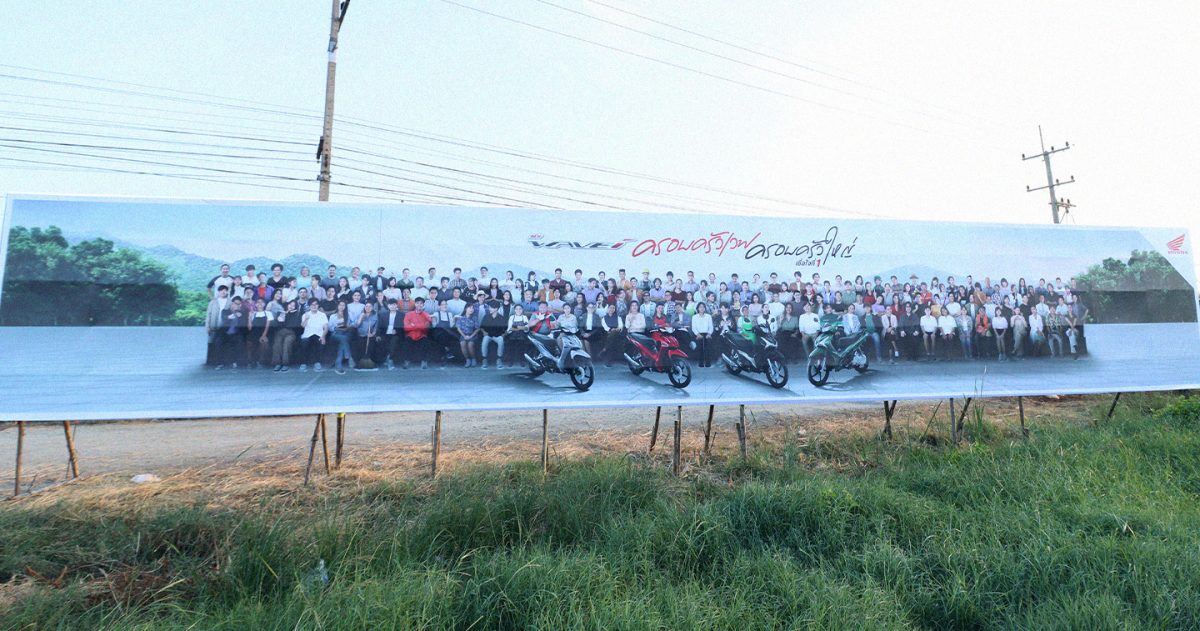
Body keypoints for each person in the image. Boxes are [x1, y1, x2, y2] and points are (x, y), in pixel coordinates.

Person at [403, 297, 433, 369]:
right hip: (410, 335)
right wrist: (420, 326)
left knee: (425, 342)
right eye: (417, 303)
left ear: (423, 305)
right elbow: (406, 327)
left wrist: (413, 325)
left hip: (422, 335)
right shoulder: (408, 314)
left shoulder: (426, 315)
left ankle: (424, 361)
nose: (419, 305)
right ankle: (406, 361)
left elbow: (426, 328)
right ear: (415, 304)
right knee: (407, 342)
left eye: (421, 303)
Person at [299, 298, 328, 372]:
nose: (314, 306)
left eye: (316, 304)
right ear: (309, 306)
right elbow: (303, 326)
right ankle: (303, 363)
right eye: (312, 304)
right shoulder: (305, 315)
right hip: (307, 334)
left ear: (318, 305)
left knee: (319, 341)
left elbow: (326, 327)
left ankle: (317, 362)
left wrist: (323, 336)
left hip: (319, 334)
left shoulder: (322, 315)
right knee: (304, 342)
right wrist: (306, 319)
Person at [272, 299, 301, 371]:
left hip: (291, 333)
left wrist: (289, 315)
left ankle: (286, 364)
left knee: (287, 342)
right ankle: (277, 363)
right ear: (287, 305)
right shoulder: (281, 313)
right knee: (277, 343)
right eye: (290, 304)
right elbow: (277, 324)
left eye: (294, 306)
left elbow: (294, 326)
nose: (291, 306)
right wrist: (282, 318)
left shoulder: (297, 314)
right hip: (280, 332)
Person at [328, 301, 354, 374]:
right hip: (335, 334)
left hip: (346, 333)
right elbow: (330, 328)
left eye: (343, 305)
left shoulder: (349, 315)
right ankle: (349, 356)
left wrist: (348, 326)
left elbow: (353, 323)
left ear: (345, 307)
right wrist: (337, 328)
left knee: (343, 342)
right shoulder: (333, 316)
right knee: (343, 339)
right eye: (340, 305)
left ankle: (338, 366)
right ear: (337, 306)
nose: (341, 306)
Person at [691, 301, 714, 367]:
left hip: (707, 333)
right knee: (700, 347)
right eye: (700, 307)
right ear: (698, 308)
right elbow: (694, 327)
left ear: (705, 308)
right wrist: (697, 334)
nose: (702, 308)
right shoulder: (694, 317)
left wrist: (709, 334)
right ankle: (700, 362)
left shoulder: (708, 316)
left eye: (703, 307)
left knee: (707, 347)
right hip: (698, 334)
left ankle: (708, 362)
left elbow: (711, 326)